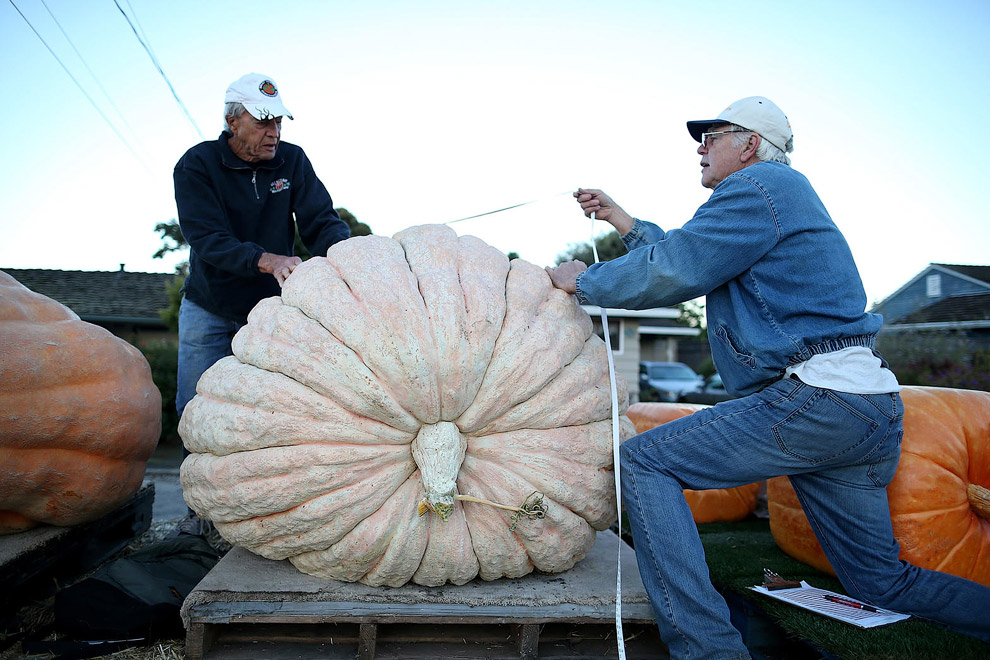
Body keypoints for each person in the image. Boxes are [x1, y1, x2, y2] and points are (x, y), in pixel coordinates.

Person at [546, 96, 990, 658]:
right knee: (881, 582)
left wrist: (583, 283)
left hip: (818, 400)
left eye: (713, 137)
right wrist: (621, 220)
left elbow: (678, 267)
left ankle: (711, 650)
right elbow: (690, 251)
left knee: (645, 459)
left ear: (750, 145)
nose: (701, 148)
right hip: (867, 410)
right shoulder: (771, 199)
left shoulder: (759, 188)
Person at [171, 73, 350, 529]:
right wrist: (266, 260)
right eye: (263, 121)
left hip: (271, 315)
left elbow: (321, 221)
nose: (275, 132)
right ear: (234, 121)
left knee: (278, 413)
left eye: (279, 121)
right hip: (209, 307)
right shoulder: (197, 165)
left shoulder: (291, 161)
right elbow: (207, 238)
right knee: (197, 409)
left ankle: (267, 512)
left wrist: (348, 259)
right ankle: (202, 515)